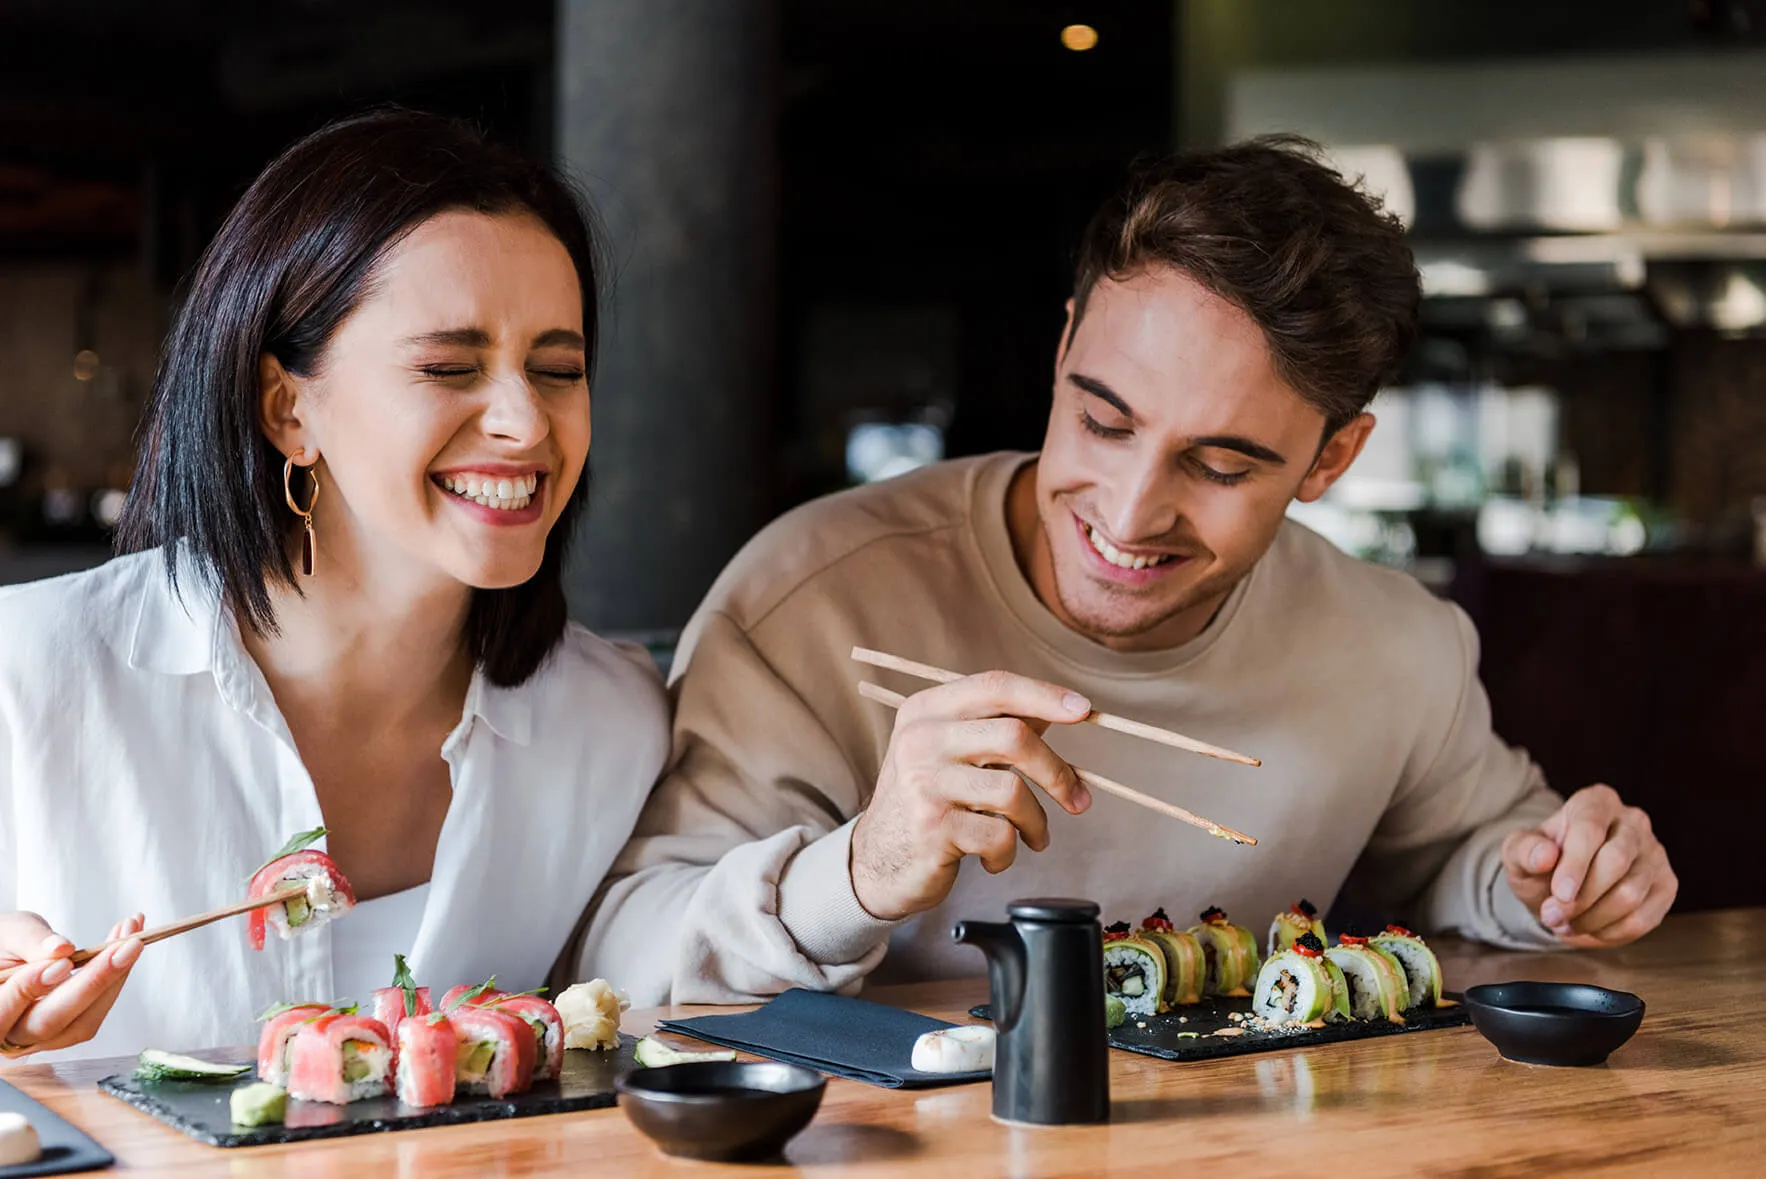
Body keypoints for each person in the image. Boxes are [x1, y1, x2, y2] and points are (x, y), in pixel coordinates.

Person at [584, 137, 1677, 1005]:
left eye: (1217, 464)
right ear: (1062, 349)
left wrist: (1555, 879)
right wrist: (862, 869)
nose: (1127, 510)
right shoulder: (811, 600)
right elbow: (622, 953)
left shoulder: (1394, 643)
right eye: (1102, 421)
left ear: (1330, 459)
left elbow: (1460, 857)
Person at [0, 111, 669, 1060]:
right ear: (287, 407)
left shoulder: (612, 725)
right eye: (450, 365)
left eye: (558, 369)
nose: (526, 423)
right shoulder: (25, 676)